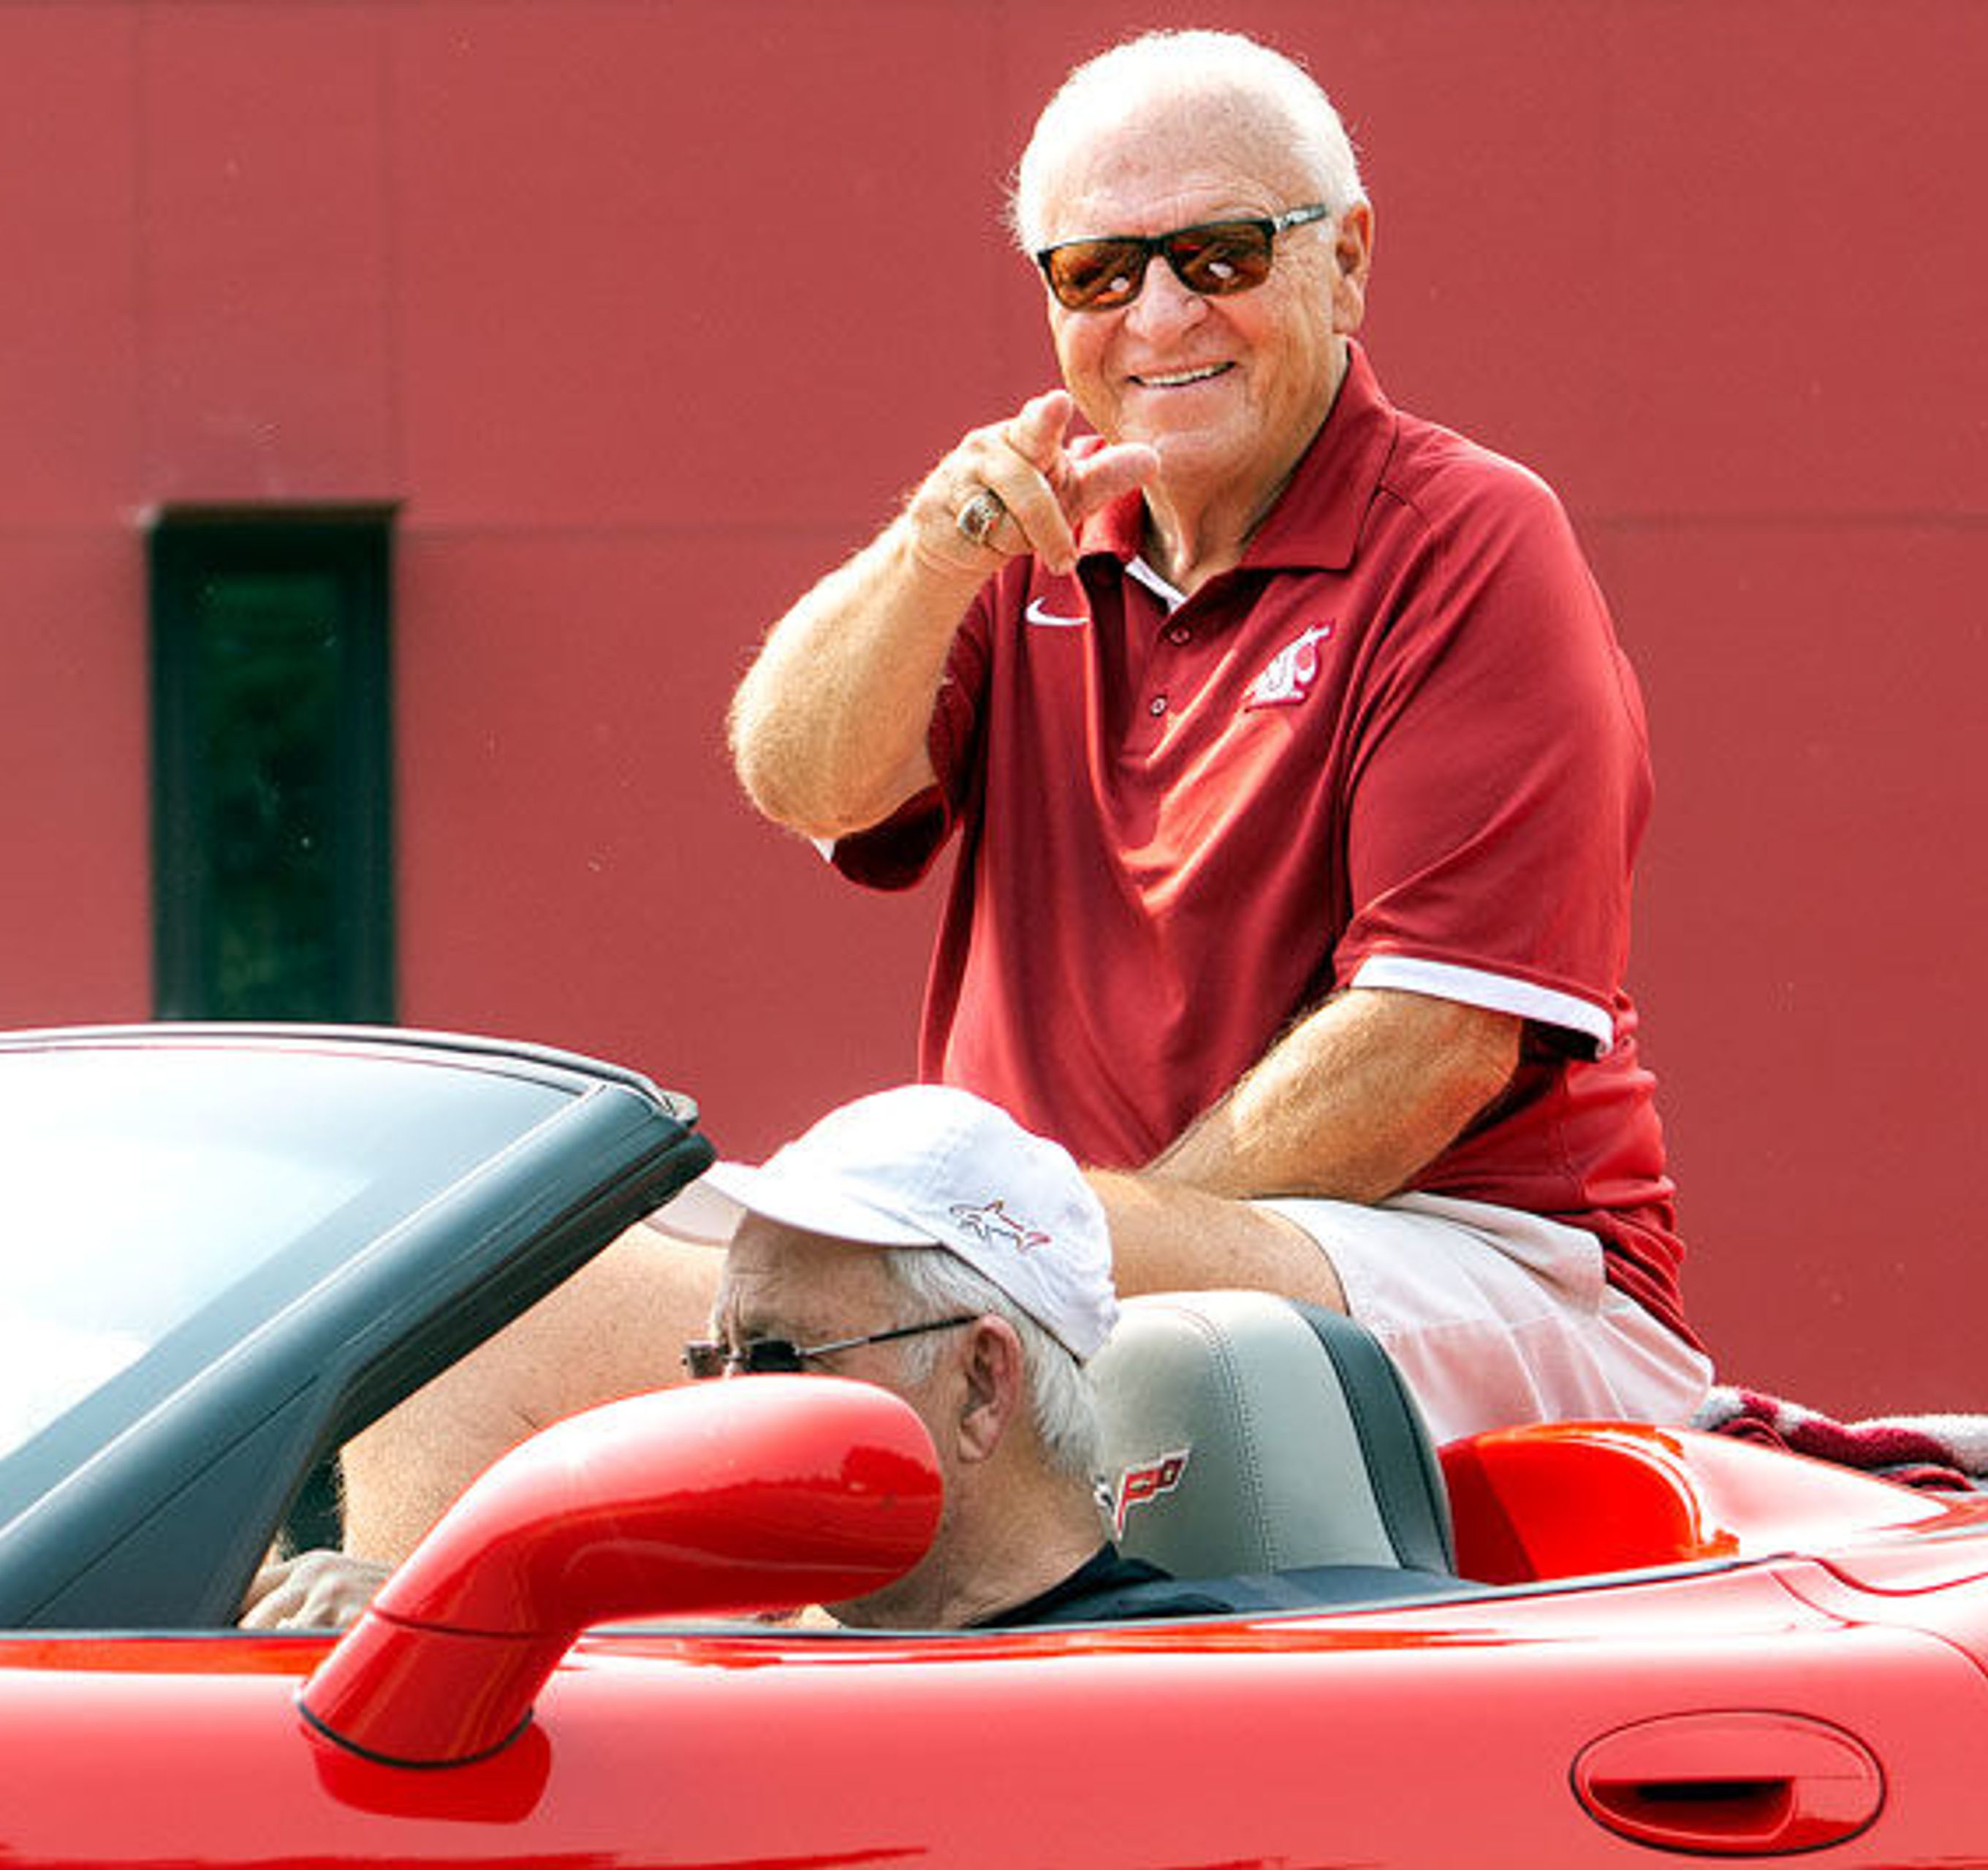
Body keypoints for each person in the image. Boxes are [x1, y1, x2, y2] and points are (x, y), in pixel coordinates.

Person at [726, 28, 1708, 1442]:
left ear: (1347, 260)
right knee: (521, 1277)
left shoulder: (1473, 539)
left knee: (872, 1288)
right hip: (1056, 1264)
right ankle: (386, 1631)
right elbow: (797, 772)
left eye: (1224, 254)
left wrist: (1075, 1266)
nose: (1162, 315)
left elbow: (1428, 1049)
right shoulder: (1024, 535)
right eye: (1099, 272)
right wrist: (935, 551)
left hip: (1473, 1257)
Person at [254, 1087, 1375, 1630]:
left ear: (984, 1383)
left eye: (785, 1356)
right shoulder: (763, 1645)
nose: (730, 1412)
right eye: (718, 1358)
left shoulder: (1159, 1687)